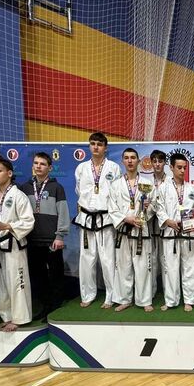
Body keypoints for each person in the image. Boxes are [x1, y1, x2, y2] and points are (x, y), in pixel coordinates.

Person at [0, 159, 35, 332]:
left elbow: (28, 221)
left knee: (17, 282)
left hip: (13, 245)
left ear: (9, 173)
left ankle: (20, 318)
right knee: (0, 284)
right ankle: (6, 316)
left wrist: (7, 226)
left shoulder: (18, 196)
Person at [19, 152, 69, 320]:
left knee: (55, 274)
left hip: (51, 239)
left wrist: (60, 236)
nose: (38, 166)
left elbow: (63, 212)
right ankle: (44, 304)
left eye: (42, 164)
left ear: (50, 168)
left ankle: (56, 305)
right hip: (31, 238)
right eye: (36, 163)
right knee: (37, 274)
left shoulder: (56, 187)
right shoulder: (24, 188)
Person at [74, 132, 120, 308]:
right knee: (87, 258)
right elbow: (79, 191)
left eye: (99, 144)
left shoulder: (113, 168)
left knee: (108, 259)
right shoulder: (81, 168)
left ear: (105, 148)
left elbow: (116, 193)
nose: (95, 147)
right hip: (86, 217)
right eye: (92, 143)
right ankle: (88, 294)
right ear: (89, 146)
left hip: (105, 217)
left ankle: (111, 296)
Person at [108, 148, 154, 312]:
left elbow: (154, 206)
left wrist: (148, 208)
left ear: (138, 161)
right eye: (126, 158)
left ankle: (144, 300)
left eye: (133, 158)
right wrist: (126, 219)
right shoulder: (115, 185)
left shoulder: (148, 183)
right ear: (122, 161)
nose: (130, 161)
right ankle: (124, 299)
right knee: (123, 267)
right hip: (123, 230)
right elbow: (112, 208)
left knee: (143, 267)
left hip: (141, 229)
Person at [155, 153, 194, 311]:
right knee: (170, 268)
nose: (182, 170)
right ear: (171, 167)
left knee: (190, 267)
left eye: (184, 168)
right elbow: (159, 209)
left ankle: (190, 300)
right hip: (170, 233)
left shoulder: (193, 189)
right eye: (179, 167)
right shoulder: (163, 188)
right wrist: (168, 221)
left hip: (188, 234)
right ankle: (171, 300)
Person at [149, 149, 168, 296]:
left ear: (165, 163)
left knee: (166, 258)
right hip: (150, 223)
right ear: (151, 163)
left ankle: (168, 291)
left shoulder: (171, 182)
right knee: (151, 257)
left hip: (167, 224)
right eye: (154, 161)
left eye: (160, 161)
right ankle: (151, 291)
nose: (157, 164)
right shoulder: (145, 182)